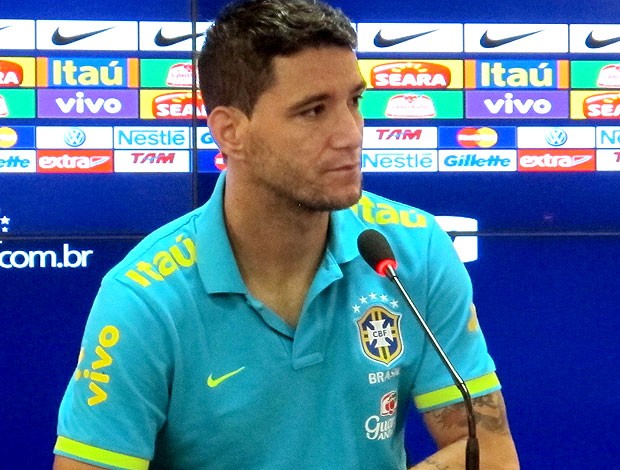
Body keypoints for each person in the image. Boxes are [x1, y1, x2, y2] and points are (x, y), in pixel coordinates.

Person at [53, 0, 519, 468]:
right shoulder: (145, 300)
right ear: (230, 131)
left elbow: (489, 452)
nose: (350, 133)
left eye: (354, 101)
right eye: (313, 111)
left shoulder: (411, 250)